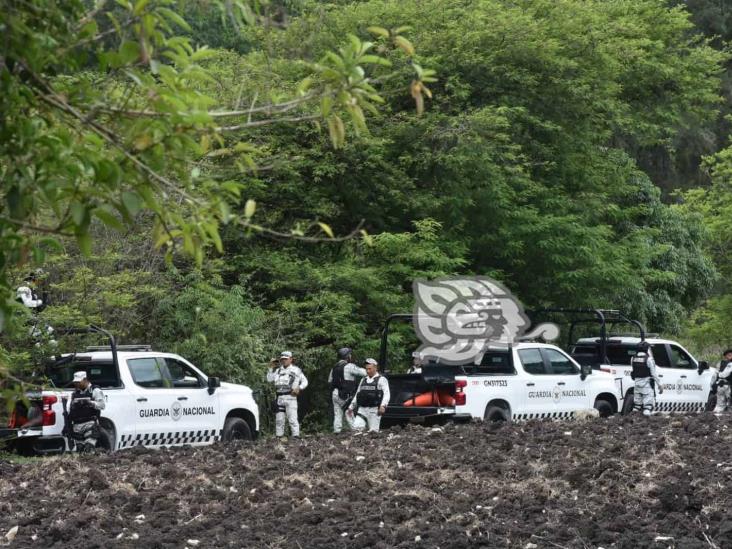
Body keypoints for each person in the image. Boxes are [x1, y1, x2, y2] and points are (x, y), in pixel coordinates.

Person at [266, 351, 308, 439]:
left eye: (286, 359)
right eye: (282, 359)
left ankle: (296, 436)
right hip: (279, 397)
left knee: (292, 419)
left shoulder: (296, 370)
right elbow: (269, 379)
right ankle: (279, 437)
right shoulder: (278, 370)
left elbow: (305, 381)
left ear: (291, 359)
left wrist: (299, 388)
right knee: (279, 419)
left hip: (291, 397)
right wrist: (270, 368)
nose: (284, 361)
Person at [328, 347, 366, 433]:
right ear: (347, 356)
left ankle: (336, 432)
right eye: (350, 355)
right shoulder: (349, 366)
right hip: (344, 395)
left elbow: (330, 380)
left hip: (335, 393)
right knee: (349, 411)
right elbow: (364, 373)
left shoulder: (334, 367)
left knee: (337, 414)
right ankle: (356, 431)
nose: (351, 356)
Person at [66, 371, 106, 451]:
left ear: (85, 380)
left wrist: (90, 403)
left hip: (90, 424)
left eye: (78, 382)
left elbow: (102, 405)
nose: (76, 384)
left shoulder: (95, 390)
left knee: (88, 448)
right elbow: (69, 410)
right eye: (75, 382)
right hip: (77, 426)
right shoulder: (74, 393)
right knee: (80, 449)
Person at [347, 358, 390, 433]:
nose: (367, 371)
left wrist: (383, 405)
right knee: (357, 429)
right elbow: (358, 394)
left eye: (370, 369)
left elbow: (387, 394)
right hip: (362, 409)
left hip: (374, 410)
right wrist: (351, 406)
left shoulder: (381, 379)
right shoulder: (363, 380)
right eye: (366, 369)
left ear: (375, 368)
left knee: (373, 433)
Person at [630, 341, 663, 416]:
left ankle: (632, 420)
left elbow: (634, 371)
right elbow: (654, 374)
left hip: (637, 385)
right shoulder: (649, 359)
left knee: (636, 407)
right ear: (646, 349)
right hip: (647, 386)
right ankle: (647, 423)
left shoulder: (633, 358)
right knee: (647, 408)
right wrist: (660, 385)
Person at [713, 349, 732, 414]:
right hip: (723, 386)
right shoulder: (720, 363)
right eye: (728, 354)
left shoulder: (721, 363)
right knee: (720, 406)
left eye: (731, 354)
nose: (730, 355)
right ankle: (717, 420)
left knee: (728, 406)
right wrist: (714, 384)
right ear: (725, 356)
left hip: (726, 386)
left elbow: (718, 374)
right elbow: (715, 374)